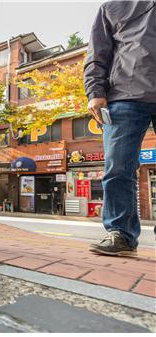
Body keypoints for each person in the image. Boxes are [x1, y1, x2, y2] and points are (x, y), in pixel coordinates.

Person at [84, 1, 156, 256]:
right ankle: (121, 235)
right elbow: (97, 54)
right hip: (124, 96)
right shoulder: (111, 7)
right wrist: (95, 91)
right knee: (118, 168)